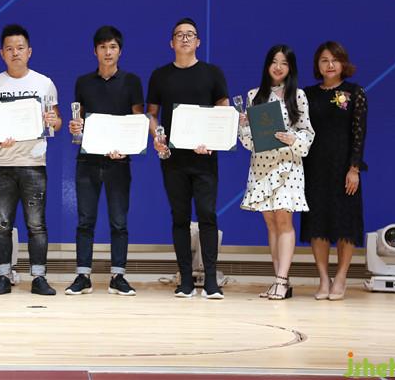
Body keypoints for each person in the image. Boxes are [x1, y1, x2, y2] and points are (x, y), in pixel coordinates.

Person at [146, 17, 229, 299]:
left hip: (204, 158)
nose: (184, 38)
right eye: (179, 34)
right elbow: (152, 114)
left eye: (190, 34)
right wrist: (157, 136)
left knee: (207, 215)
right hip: (173, 159)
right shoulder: (160, 76)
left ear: (198, 42)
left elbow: (223, 110)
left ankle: (211, 281)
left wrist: (214, 141)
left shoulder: (212, 73)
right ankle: (185, 280)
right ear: (171, 42)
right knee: (179, 217)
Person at [0, 24, 62, 296]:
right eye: (10, 49)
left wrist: (53, 120)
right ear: (2, 53)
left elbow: (57, 122)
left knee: (36, 225)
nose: (15, 53)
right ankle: (3, 276)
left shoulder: (44, 83)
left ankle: (39, 278)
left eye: (20, 48)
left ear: (29, 52)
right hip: (2, 164)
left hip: (34, 163)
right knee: (2, 224)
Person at [65, 26, 144, 296]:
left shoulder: (132, 81)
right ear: (95, 51)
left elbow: (137, 120)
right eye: (102, 47)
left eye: (112, 47)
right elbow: (79, 120)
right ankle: (83, 276)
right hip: (87, 160)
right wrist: (75, 128)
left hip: (118, 161)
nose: (107, 52)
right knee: (85, 220)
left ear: (120, 51)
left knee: (119, 222)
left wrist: (126, 149)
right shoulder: (83, 82)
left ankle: (118, 276)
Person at [238, 44, 315, 300]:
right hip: (261, 167)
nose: (278, 67)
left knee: (284, 220)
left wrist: (293, 139)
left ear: (290, 68)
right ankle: (280, 280)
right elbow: (247, 141)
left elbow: (307, 133)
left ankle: (281, 281)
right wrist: (244, 126)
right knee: (271, 223)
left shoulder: (298, 96)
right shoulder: (254, 95)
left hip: (288, 166)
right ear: (267, 65)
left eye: (284, 63)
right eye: (274, 62)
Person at [301, 41, 367, 301]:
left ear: (343, 63)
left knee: (345, 224)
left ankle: (340, 277)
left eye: (334, 60)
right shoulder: (307, 94)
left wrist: (354, 169)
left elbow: (359, 135)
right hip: (313, 169)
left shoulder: (354, 92)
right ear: (317, 65)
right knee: (317, 224)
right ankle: (323, 278)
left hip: (344, 169)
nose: (330, 65)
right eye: (324, 60)